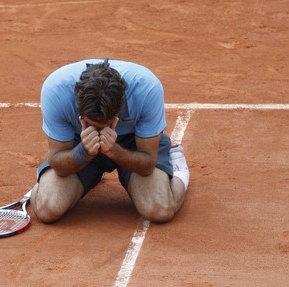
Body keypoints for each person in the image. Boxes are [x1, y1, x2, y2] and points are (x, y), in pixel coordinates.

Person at [31, 58, 189, 223]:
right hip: (80, 142)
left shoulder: (146, 88)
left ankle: (179, 169)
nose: (101, 129)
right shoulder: (56, 91)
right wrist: (82, 151)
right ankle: (44, 184)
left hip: (134, 142)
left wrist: (114, 151)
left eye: (107, 124)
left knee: (160, 210)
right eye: (93, 124)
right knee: (47, 209)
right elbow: (59, 164)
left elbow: (148, 164)